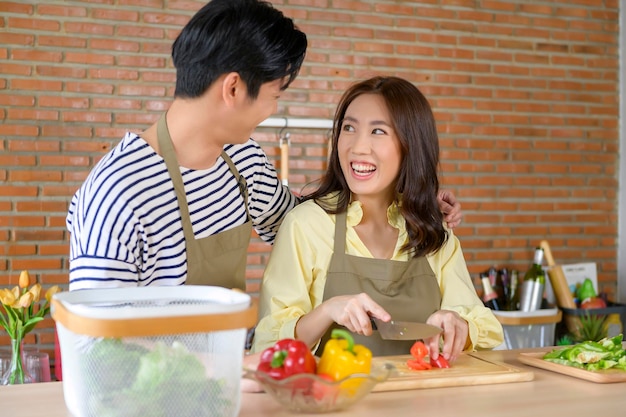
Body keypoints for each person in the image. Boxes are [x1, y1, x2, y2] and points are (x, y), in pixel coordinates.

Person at [66, 0, 462, 292]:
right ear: (234, 88)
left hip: (227, 380)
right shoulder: (116, 194)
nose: (275, 108)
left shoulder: (243, 162)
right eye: (275, 94)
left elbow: (300, 220)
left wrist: (407, 198)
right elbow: (98, 351)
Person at [251, 76, 503, 363]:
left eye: (379, 131)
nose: (358, 147)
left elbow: (486, 327)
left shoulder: (433, 230)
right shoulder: (306, 225)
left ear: (411, 145)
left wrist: (459, 324)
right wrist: (326, 312)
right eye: (349, 128)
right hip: (337, 401)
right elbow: (269, 348)